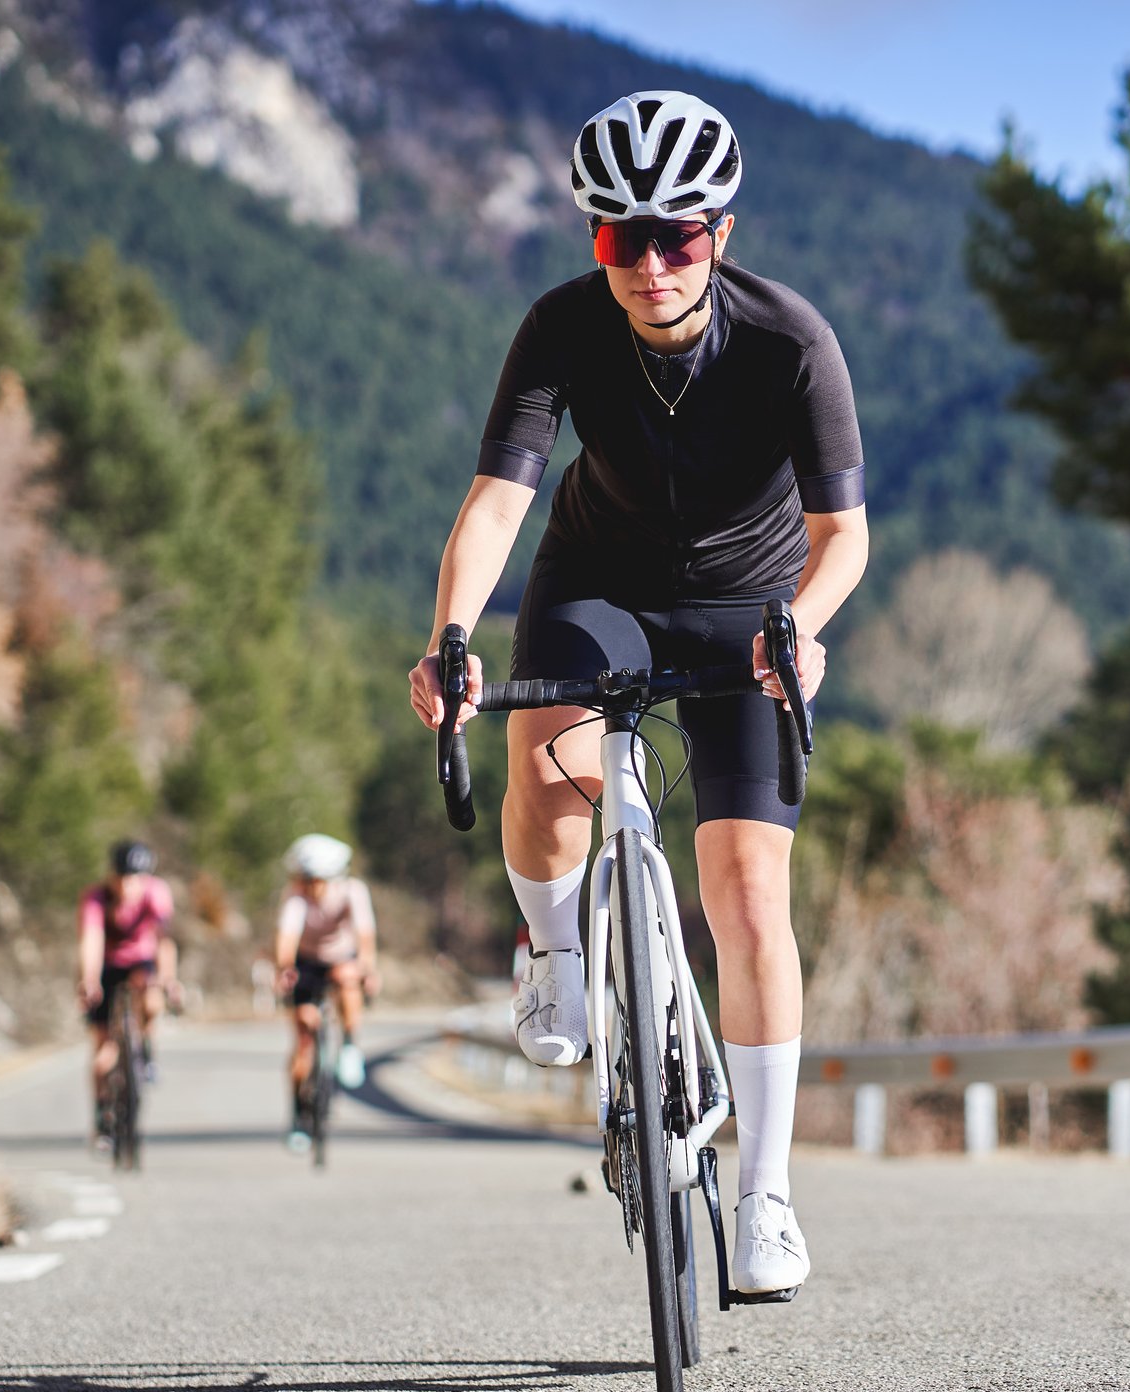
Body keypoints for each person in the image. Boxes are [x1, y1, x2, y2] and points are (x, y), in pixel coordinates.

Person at [406, 91, 868, 1297]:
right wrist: (452, 636)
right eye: (622, 240)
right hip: (597, 578)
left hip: (747, 606)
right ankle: (555, 949)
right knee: (544, 747)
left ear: (720, 229)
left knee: (749, 893)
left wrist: (802, 630)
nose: (652, 266)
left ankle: (765, 1195)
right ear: (593, 240)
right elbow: (499, 497)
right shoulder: (561, 327)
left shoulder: (791, 341)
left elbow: (845, 536)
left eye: (679, 237)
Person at [272, 832, 380, 1152]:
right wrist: (284, 968)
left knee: (348, 980)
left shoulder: (352, 891)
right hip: (306, 963)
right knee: (303, 1037)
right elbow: (286, 938)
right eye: (304, 879)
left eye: (315, 880)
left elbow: (365, 937)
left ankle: (349, 1043)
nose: (309, 886)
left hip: (341, 958)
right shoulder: (295, 896)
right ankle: (296, 1116)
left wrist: (367, 969)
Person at [78, 840, 181, 1143]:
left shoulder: (156, 893)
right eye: (122, 877)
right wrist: (89, 979)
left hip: (141, 961)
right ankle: (102, 1117)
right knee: (102, 1054)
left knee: (151, 999)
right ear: (112, 875)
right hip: (106, 966)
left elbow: (164, 940)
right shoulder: (95, 899)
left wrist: (168, 978)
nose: (128, 885)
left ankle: (146, 1048)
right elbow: (91, 942)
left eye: (135, 877)